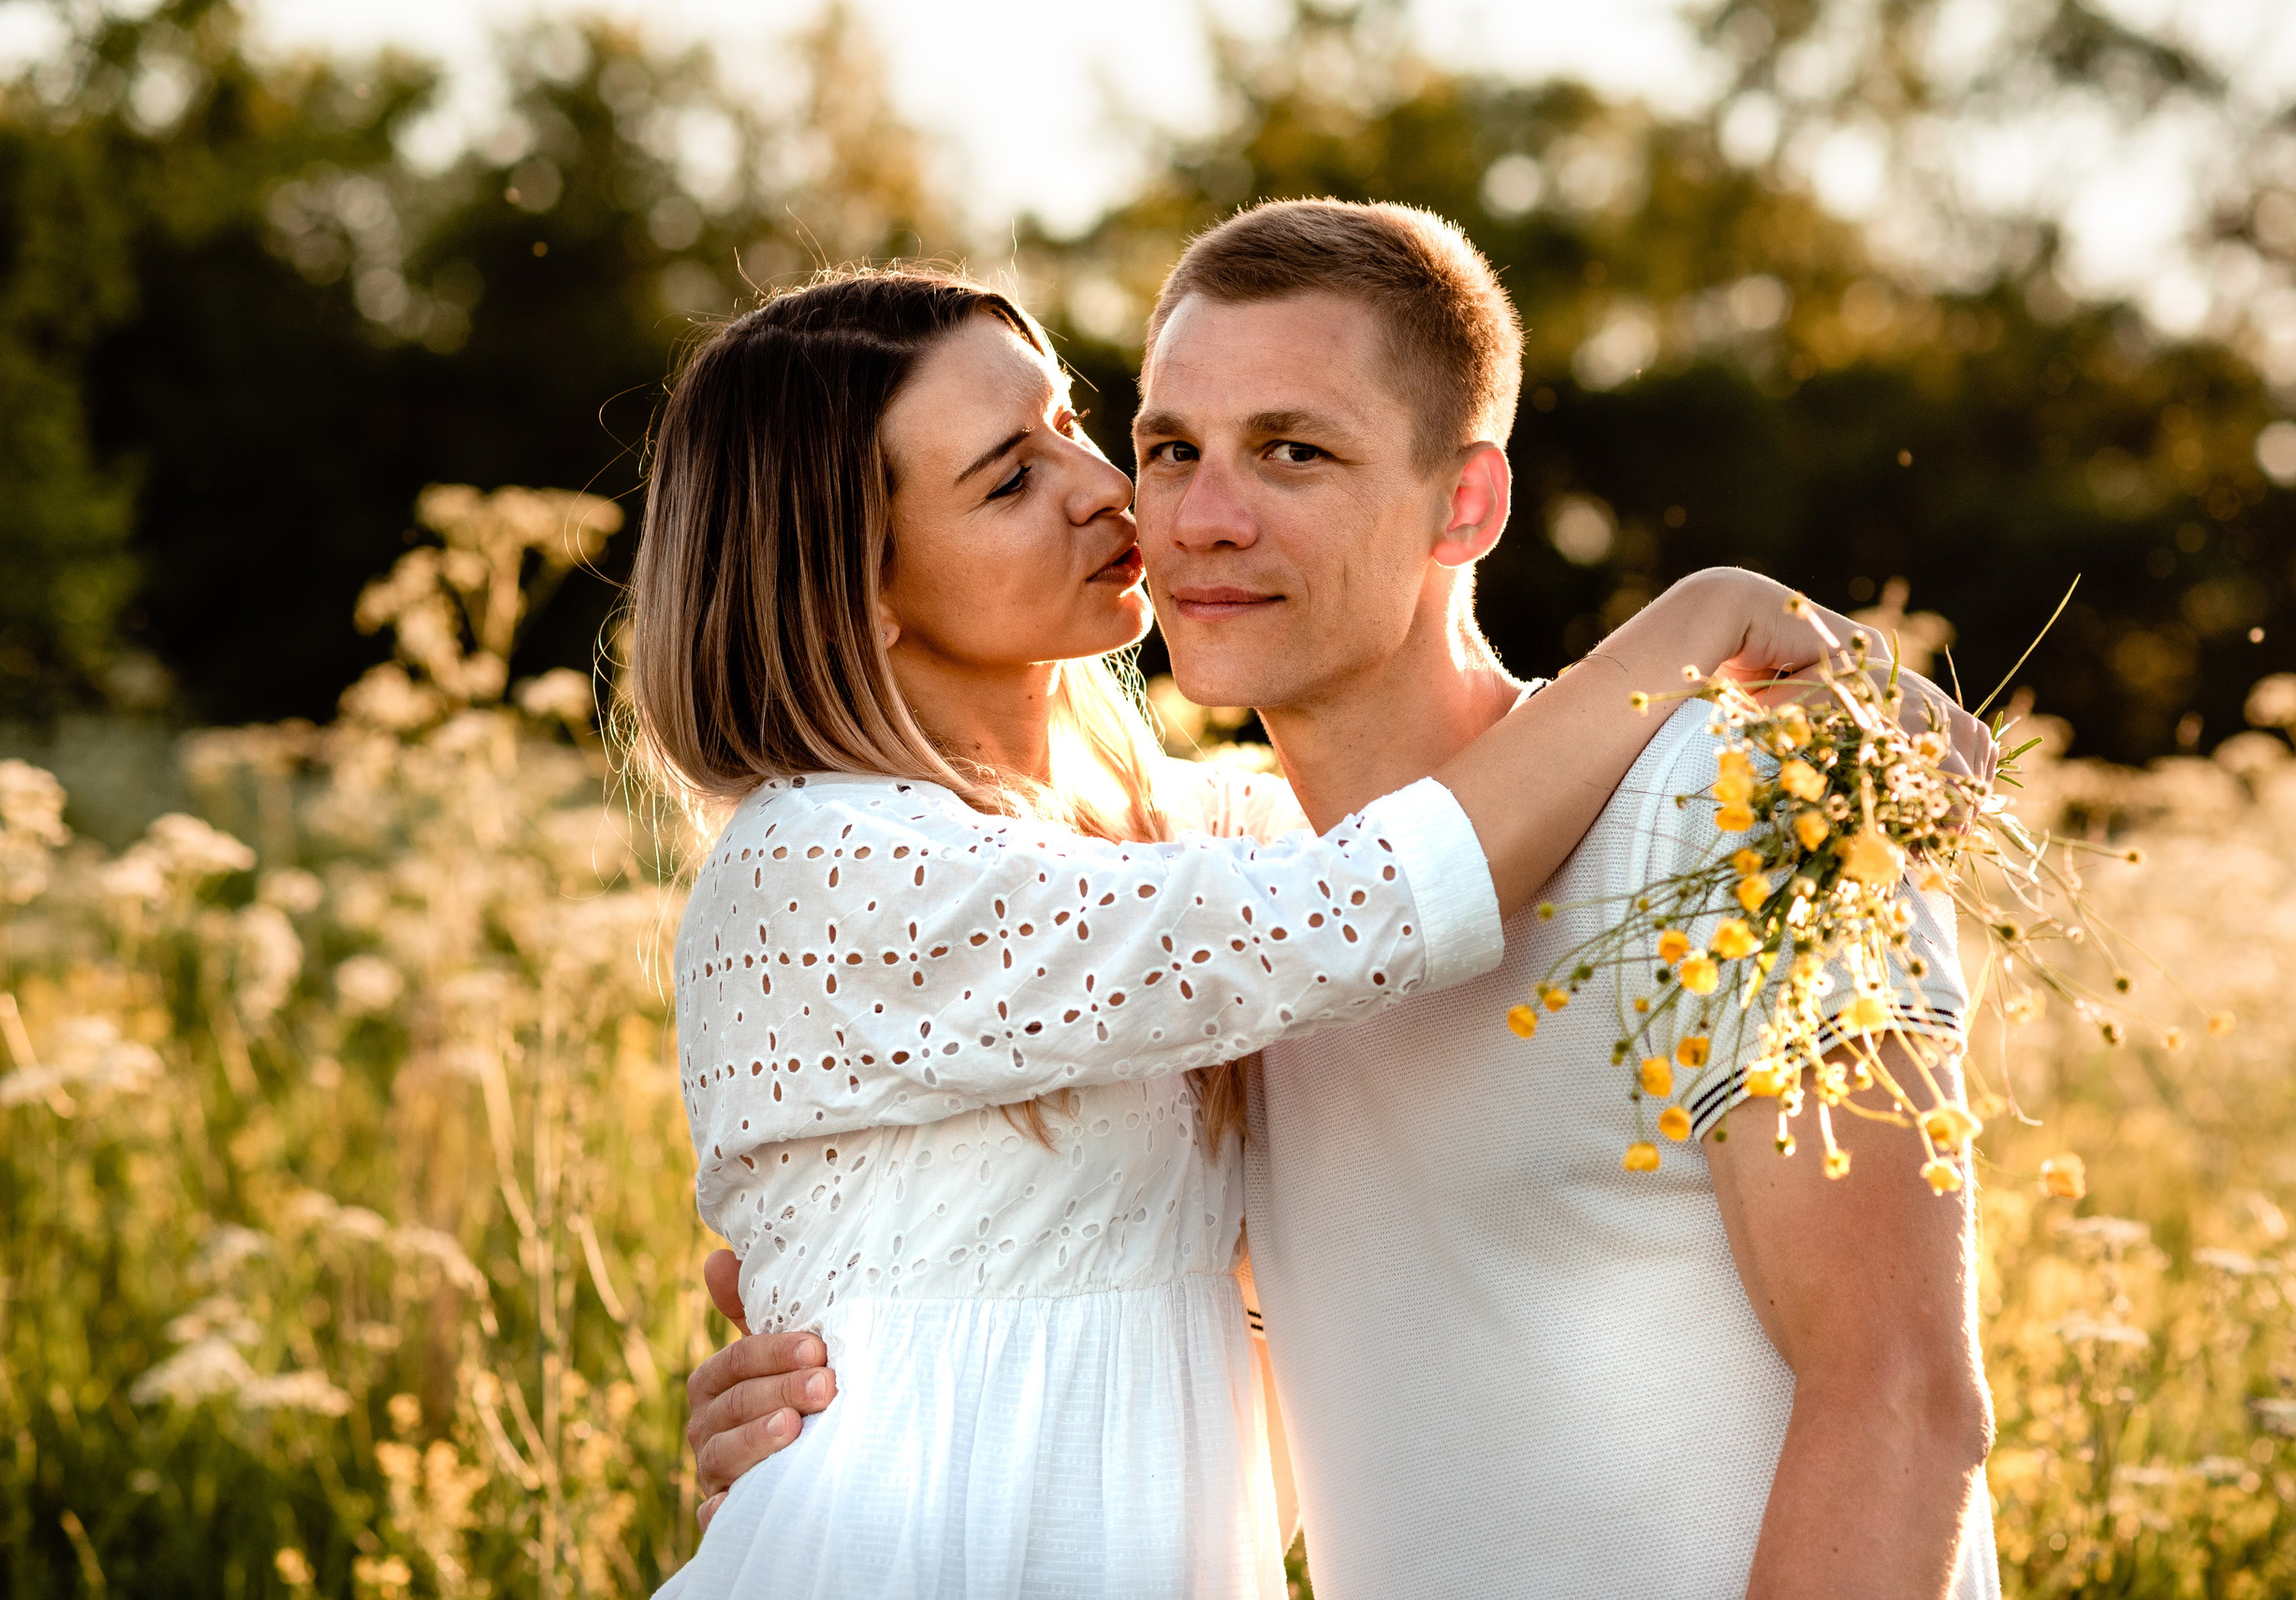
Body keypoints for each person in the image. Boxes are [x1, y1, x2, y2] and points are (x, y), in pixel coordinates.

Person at [686, 205, 2005, 1599]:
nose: (1190, 517)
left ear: (1470, 502)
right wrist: (864, 1415)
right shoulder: (1222, 909)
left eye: (1293, 451)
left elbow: (1906, 1400)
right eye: (1170, 447)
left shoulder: (1731, 803)